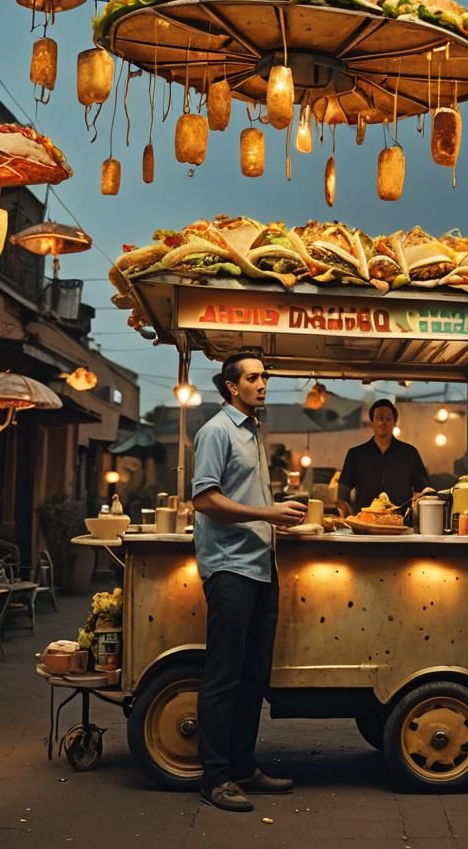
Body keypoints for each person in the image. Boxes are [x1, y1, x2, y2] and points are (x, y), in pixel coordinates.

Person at [191, 348, 306, 812]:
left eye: (265, 377)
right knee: (223, 677)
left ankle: (242, 767)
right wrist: (266, 512)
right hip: (230, 569)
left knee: (253, 676)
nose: (263, 384)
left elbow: (240, 498)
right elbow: (204, 499)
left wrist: (273, 520)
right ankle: (214, 777)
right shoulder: (216, 431)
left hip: (261, 567)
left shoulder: (253, 430)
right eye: (254, 378)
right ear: (231, 387)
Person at [336, 399, 428, 516]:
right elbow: (343, 491)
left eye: (388, 419)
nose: (383, 422)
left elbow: (423, 490)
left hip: (400, 523)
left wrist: (415, 515)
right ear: (372, 422)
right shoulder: (355, 454)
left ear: (394, 423)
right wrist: (346, 514)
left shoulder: (409, 453)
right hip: (364, 523)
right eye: (379, 418)